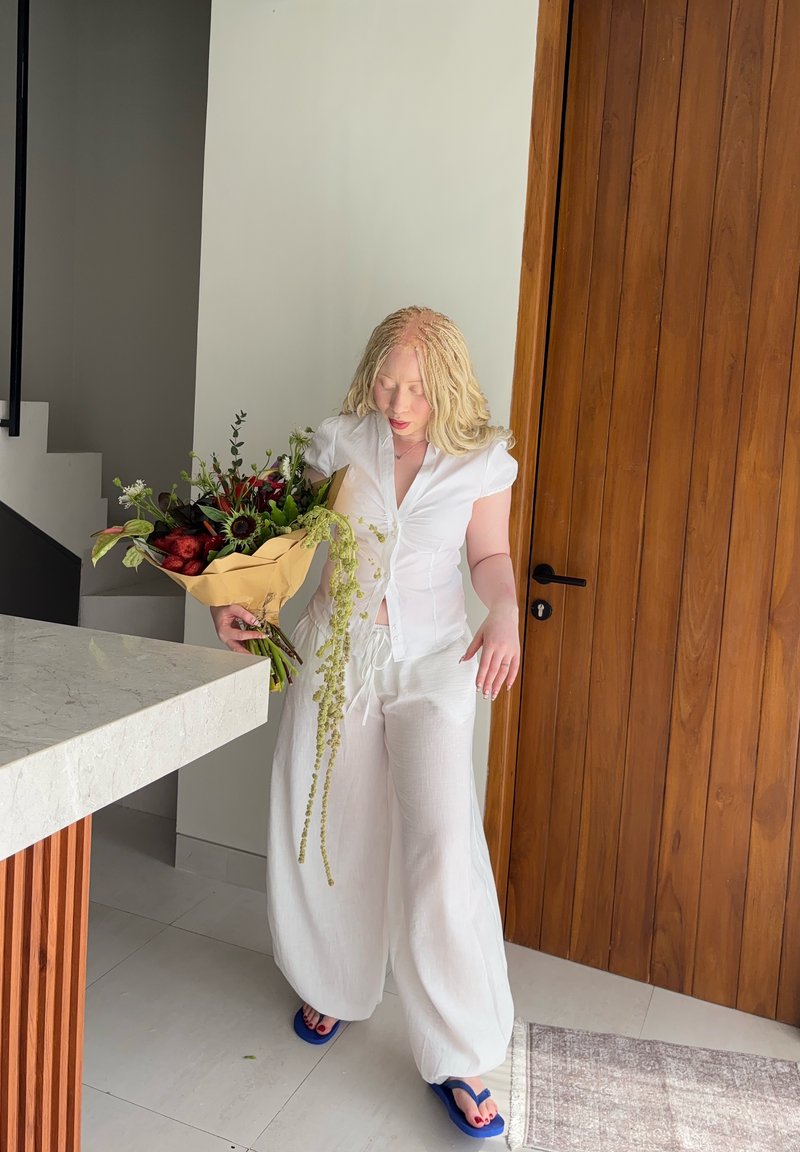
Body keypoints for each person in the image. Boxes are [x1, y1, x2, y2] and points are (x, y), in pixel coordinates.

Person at [212, 306, 519, 1138]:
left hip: (435, 667)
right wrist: (240, 601)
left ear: (445, 381)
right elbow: (291, 545)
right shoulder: (341, 440)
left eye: (416, 384)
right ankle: (332, 983)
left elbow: (488, 559)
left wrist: (506, 615)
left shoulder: (479, 459)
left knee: (443, 844)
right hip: (338, 653)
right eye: (388, 376)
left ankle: (457, 1051)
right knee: (329, 824)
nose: (397, 396)